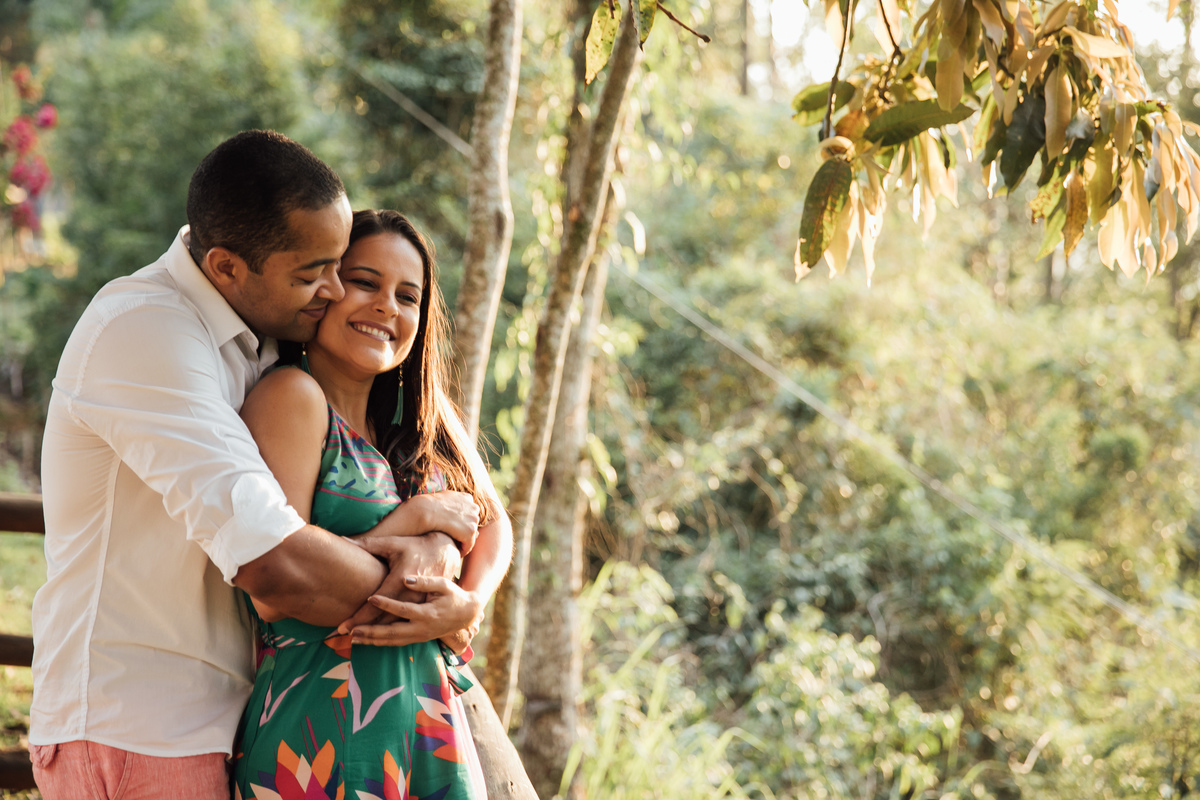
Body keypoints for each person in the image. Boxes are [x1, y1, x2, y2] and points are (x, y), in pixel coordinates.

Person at [30, 131, 499, 799]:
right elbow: (273, 563)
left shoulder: (266, 331)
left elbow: (485, 507)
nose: (334, 290)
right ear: (226, 267)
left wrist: (456, 577)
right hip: (139, 728)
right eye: (315, 273)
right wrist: (427, 584)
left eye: (339, 265)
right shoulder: (148, 331)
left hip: (223, 721)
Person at [231, 208, 507, 799]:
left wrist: (466, 606)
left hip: (427, 726)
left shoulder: (419, 417)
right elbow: (275, 585)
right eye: (365, 282)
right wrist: (413, 521)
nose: (387, 307)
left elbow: (494, 523)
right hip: (320, 726)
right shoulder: (292, 397)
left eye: (407, 296)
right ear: (323, 290)